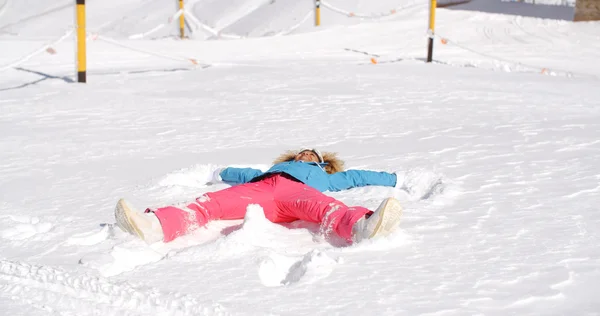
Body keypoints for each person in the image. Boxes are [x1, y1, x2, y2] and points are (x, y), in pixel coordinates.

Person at [115, 148, 406, 245]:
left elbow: (356, 177)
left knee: (331, 208)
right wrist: (220, 172)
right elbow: (245, 174)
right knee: (210, 203)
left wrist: (395, 179)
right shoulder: (273, 169)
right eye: (303, 151)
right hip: (263, 190)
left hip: (298, 195)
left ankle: (361, 227)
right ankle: (156, 226)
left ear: (321, 162)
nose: (306, 153)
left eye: (312, 154)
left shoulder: (325, 176)